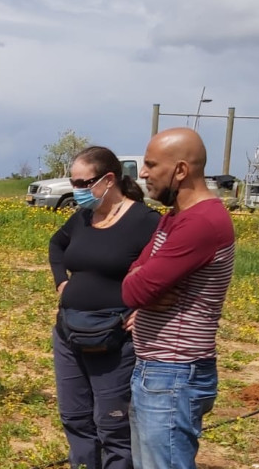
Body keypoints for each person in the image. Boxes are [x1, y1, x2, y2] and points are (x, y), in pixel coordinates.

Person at [121, 127, 235, 469]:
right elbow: (135, 272)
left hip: (173, 375)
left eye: (152, 165)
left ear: (181, 170)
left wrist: (140, 286)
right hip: (158, 372)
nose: (142, 173)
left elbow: (132, 290)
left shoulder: (202, 223)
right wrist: (140, 283)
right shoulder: (176, 217)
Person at [49, 146, 160, 469]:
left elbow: (169, 271)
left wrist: (145, 307)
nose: (78, 190)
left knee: (112, 423)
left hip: (113, 338)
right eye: (74, 183)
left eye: (84, 183)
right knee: (75, 417)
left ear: (108, 179)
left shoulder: (144, 221)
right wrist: (61, 281)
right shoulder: (83, 217)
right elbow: (57, 244)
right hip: (69, 332)